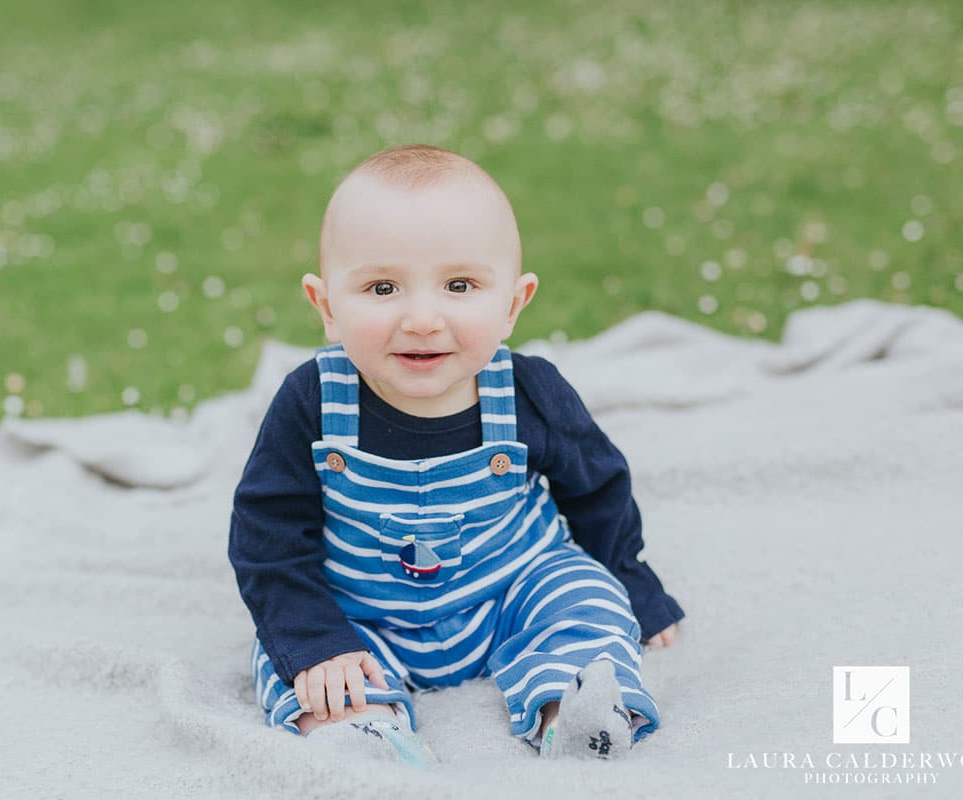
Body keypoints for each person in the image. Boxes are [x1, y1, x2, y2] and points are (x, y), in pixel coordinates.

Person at [228, 143, 684, 765]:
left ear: (513, 304)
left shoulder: (529, 393)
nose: (422, 318)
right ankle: (363, 729)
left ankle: (572, 707)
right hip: (362, 614)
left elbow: (598, 486)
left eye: (460, 285)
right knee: (289, 657)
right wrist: (314, 640)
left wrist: (634, 581)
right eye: (383, 287)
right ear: (327, 307)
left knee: (585, 595)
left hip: (514, 588)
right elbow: (266, 534)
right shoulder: (312, 401)